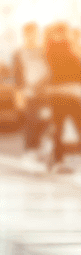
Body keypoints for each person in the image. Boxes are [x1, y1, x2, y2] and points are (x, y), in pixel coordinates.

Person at [43, 22, 81, 172]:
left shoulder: (50, 48)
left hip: (60, 94)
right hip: (69, 93)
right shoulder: (68, 48)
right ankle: (57, 160)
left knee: (59, 128)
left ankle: (57, 160)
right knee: (70, 127)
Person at [13, 23, 50, 162]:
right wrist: (18, 96)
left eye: (34, 34)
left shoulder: (44, 51)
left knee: (45, 121)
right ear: (24, 35)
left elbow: (50, 71)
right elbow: (17, 77)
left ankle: (41, 148)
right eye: (29, 34)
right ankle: (30, 151)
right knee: (31, 122)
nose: (32, 37)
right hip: (29, 94)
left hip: (45, 94)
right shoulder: (19, 53)